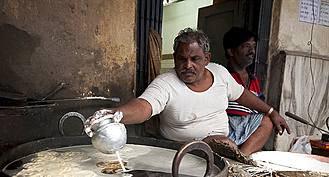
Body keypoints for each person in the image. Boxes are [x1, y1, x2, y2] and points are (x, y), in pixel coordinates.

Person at [85, 27, 290, 153]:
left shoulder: (219, 72)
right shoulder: (166, 83)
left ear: (207, 59)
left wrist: (272, 112)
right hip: (190, 145)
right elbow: (144, 106)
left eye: (195, 59)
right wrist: (117, 114)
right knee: (225, 144)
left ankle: (239, 161)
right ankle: (234, 158)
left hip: (227, 133)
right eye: (182, 59)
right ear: (175, 58)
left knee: (265, 121)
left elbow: (243, 95)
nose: (188, 65)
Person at [223, 27, 274, 155]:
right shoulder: (223, 76)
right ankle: (240, 159)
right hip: (227, 131)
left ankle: (242, 157)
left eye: (253, 46)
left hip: (247, 132)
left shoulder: (254, 80)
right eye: (246, 46)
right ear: (231, 51)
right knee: (267, 122)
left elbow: (260, 109)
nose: (252, 51)